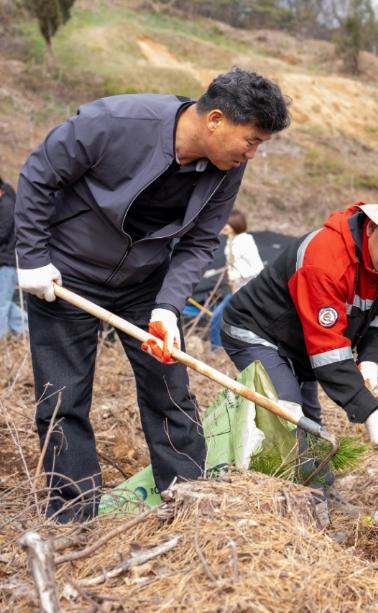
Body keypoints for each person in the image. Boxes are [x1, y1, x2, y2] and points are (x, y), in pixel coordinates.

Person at [15, 68, 290, 522]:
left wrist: (167, 306)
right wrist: (33, 259)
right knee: (63, 397)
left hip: (145, 282)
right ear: (215, 120)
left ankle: (189, 499)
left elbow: (201, 242)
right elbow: (40, 174)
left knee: (169, 388)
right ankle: (73, 514)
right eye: (252, 140)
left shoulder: (227, 170)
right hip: (66, 276)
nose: (252, 154)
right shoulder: (116, 121)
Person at [220, 180, 378, 467]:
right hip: (258, 331)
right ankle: (265, 485)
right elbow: (328, 352)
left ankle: (316, 491)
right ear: (373, 227)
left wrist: (371, 359)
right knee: (289, 411)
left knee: (310, 422)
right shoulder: (325, 259)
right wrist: (371, 413)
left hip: (301, 344)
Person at [209, 209, 263, 350]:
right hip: (234, 288)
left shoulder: (245, 241)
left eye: (227, 223)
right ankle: (223, 346)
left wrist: (237, 275)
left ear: (235, 224)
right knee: (227, 318)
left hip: (244, 288)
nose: (223, 226)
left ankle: (216, 347)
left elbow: (257, 267)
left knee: (218, 316)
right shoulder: (230, 241)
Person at [0, 175, 26, 338]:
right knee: (6, 304)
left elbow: (2, 233)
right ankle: (30, 329)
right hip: (3, 261)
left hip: (8, 262)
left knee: (1, 305)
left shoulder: (7, 205)